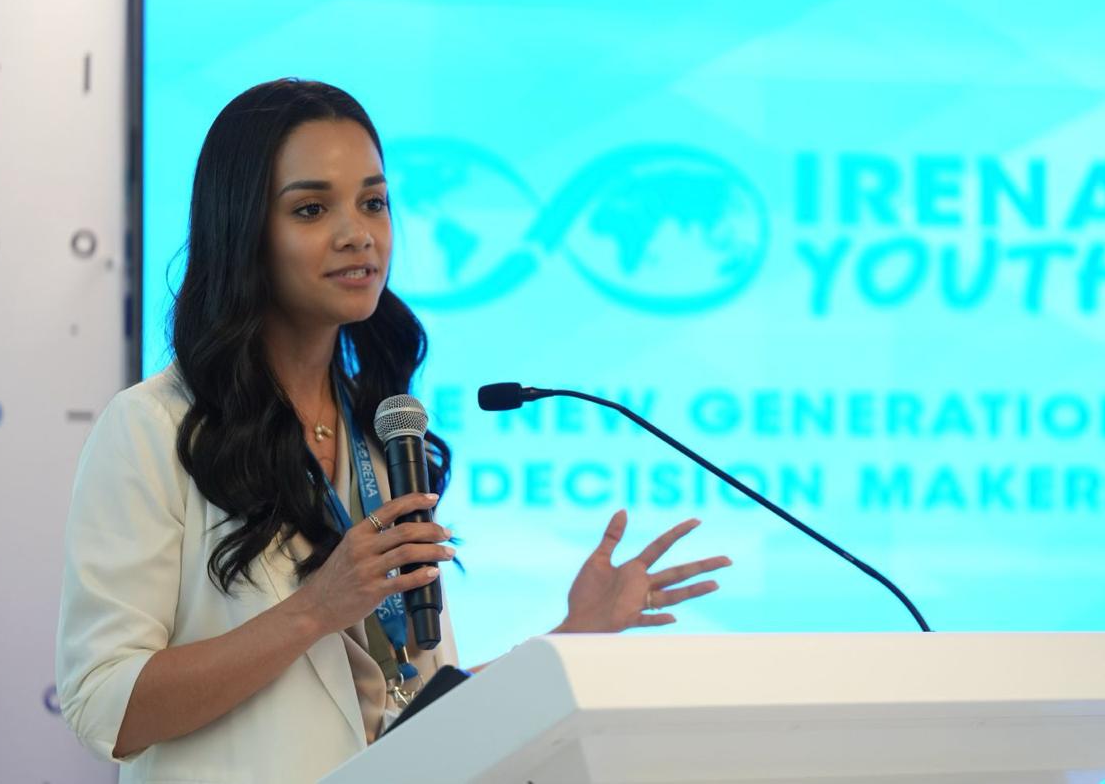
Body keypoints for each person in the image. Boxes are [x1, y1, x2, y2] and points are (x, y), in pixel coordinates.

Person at [55, 78, 732, 783]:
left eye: (373, 203)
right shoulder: (154, 428)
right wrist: (315, 610)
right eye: (312, 208)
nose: (359, 234)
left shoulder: (384, 434)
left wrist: (572, 636)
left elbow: (410, 709)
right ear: (243, 230)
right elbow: (103, 707)